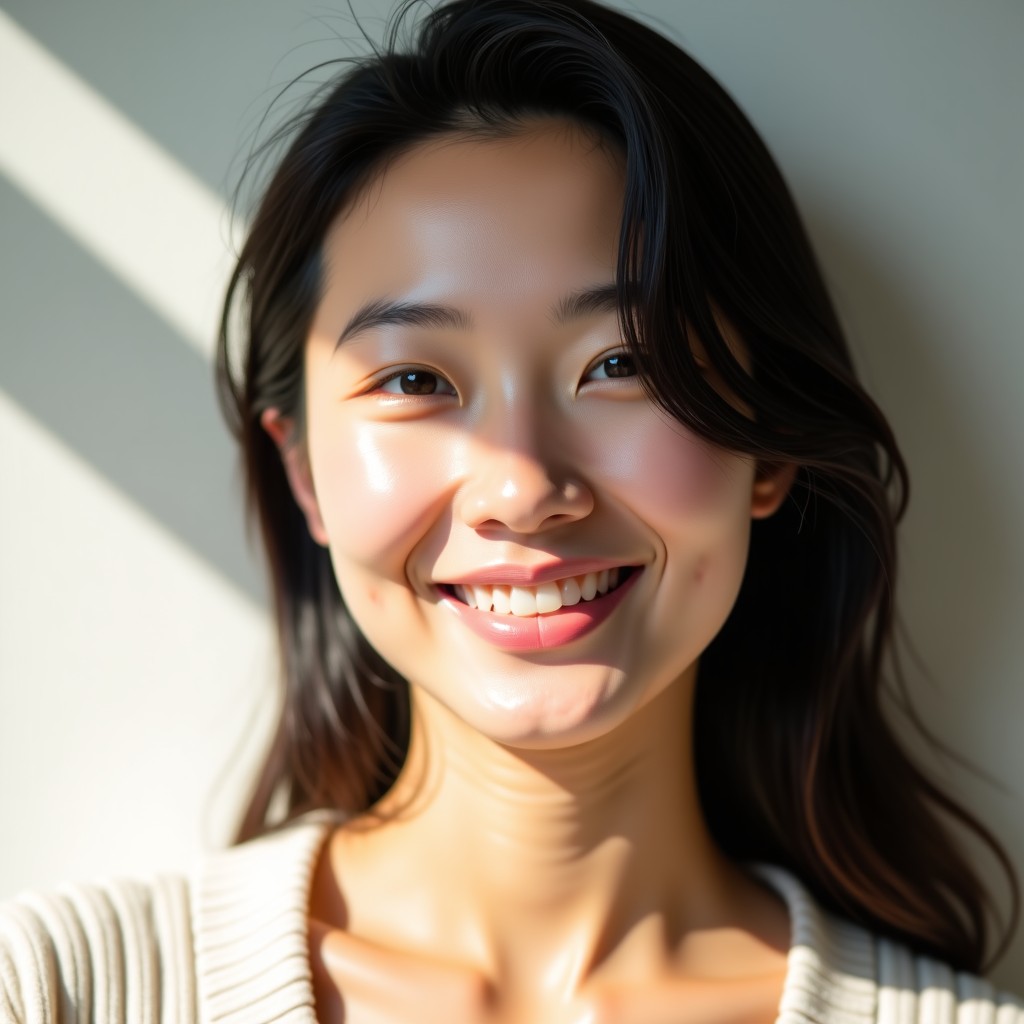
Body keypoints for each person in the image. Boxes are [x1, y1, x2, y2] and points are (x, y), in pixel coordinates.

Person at [1, 0, 1021, 1020]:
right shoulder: (53, 989)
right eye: (414, 381)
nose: (524, 484)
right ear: (302, 470)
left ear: (762, 444)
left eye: (622, 363)